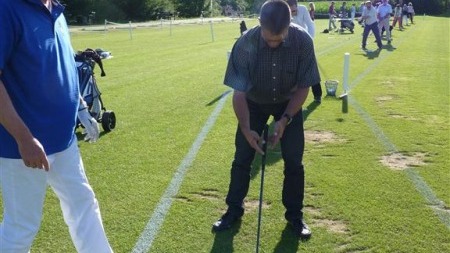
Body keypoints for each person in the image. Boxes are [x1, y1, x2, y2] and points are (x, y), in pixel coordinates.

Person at [0, 0, 114, 252]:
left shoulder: (56, 11)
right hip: (22, 148)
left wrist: (83, 109)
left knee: (83, 203)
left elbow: (64, 68)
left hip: (64, 139)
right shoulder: (6, 9)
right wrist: (24, 138)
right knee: (22, 226)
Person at [211, 0, 320, 239]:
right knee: (242, 156)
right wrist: (247, 127)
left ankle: (295, 215)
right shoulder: (244, 44)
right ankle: (233, 209)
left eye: (278, 39)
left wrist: (285, 120)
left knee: (294, 160)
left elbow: (304, 87)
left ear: (290, 25)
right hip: (253, 102)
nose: (273, 44)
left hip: (287, 102)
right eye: (268, 38)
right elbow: (239, 93)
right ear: (259, 24)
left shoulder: (303, 42)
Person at [287, 0, 322, 103]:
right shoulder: (285, 11)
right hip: (291, 43)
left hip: (305, 40)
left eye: (294, 10)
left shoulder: (303, 9)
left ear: (297, 6)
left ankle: (317, 95)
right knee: (291, 69)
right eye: (291, 11)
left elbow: (310, 24)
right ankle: (290, 96)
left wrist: (309, 41)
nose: (293, 13)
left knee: (312, 69)